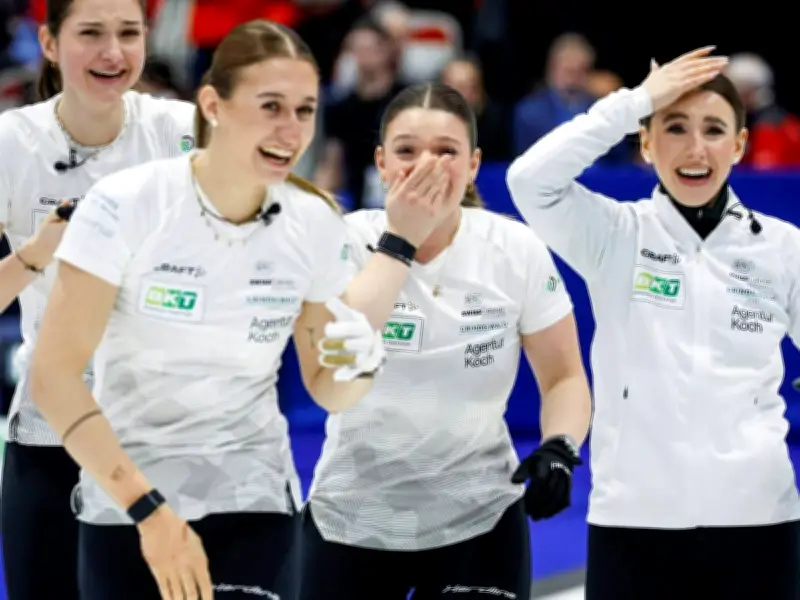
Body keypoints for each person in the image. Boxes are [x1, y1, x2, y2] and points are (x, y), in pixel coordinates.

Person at [29, 19, 457, 600]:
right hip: (129, 504)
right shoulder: (127, 204)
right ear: (213, 105)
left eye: (305, 110)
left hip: (254, 500)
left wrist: (359, 366)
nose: (291, 129)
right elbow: (54, 377)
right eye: (271, 106)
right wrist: (149, 511)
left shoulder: (313, 221)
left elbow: (328, 389)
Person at [507, 46, 800, 598]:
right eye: (675, 127)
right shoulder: (614, 234)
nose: (695, 148)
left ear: (739, 145)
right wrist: (635, 102)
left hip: (760, 521)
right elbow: (530, 181)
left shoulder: (783, 248)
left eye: (714, 130)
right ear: (645, 142)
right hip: (633, 524)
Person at [300, 82, 593, 600]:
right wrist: (401, 239)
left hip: (479, 518)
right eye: (407, 151)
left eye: (446, 151)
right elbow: (336, 368)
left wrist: (560, 446)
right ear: (381, 163)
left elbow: (564, 376)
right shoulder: (342, 240)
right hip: (352, 516)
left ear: (474, 165)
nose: (426, 166)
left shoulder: (514, 248)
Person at [0, 0, 196, 598]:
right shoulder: (11, 143)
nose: (113, 52)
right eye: (91, 33)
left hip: (165, 434)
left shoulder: (184, 132)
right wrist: (35, 254)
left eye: (128, 33)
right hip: (50, 433)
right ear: (49, 44)